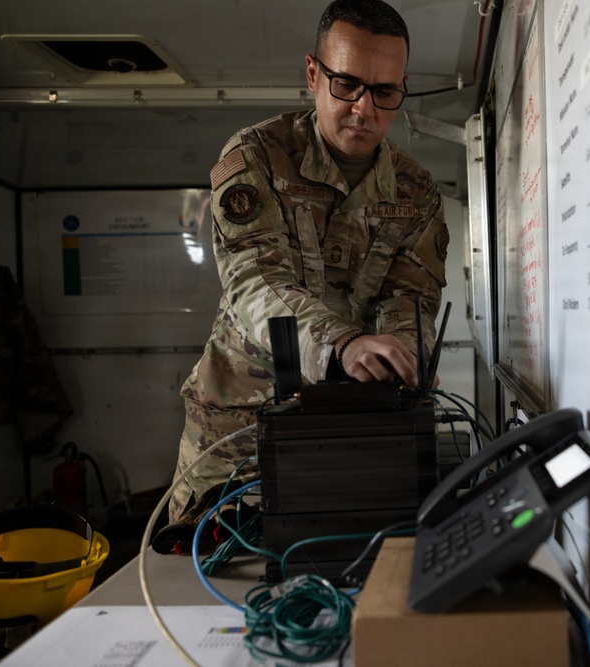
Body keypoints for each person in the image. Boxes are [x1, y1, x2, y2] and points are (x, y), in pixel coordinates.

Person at [168, 0, 448, 524]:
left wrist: (407, 354)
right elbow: (255, 280)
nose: (365, 109)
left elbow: (410, 297)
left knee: (333, 557)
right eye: (347, 85)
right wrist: (344, 344)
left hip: (350, 424)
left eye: (385, 91)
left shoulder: (417, 191)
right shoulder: (257, 157)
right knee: (206, 563)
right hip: (237, 427)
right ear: (313, 74)